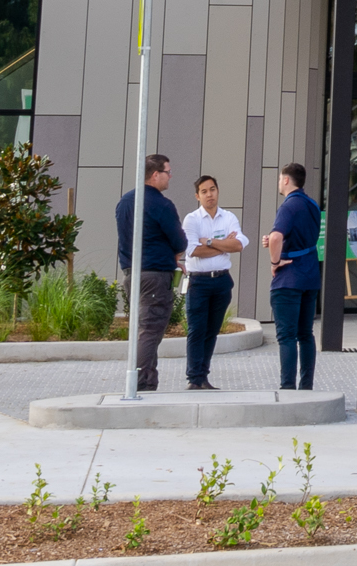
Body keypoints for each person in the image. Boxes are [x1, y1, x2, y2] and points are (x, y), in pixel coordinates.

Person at [113, 153, 187, 390]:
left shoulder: (125, 201)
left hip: (131, 274)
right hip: (155, 276)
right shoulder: (162, 204)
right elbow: (179, 240)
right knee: (150, 331)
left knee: (144, 328)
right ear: (155, 175)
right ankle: (141, 383)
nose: (170, 176)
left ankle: (147, 381)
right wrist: (175, 255)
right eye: (167, 172)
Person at [177, 174, 247, 390]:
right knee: (197, 330)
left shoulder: (228, 217)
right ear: (197, 196)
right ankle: (194, 378)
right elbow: (193, 251)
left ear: (218, 191)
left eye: (213, 189)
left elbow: (238, 245)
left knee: (212, 330)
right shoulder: (192, 219)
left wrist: (209, 241)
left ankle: (203, 376)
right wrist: (224, 243)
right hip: (198, 283)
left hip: (222, 281)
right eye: (204, 191)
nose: (210, 194)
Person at [263, 162, 321, 390]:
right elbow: (298, 236)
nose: (279, 183)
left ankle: (287, 387)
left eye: (279, 179)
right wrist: (275, 241)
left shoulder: (288, 206)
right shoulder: (312, 205)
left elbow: (277, 237)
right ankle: (306, 386)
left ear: (286, 180)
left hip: (289, 279)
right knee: (306, 334)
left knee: (286, 336)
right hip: (310, 275)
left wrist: (274, 261)